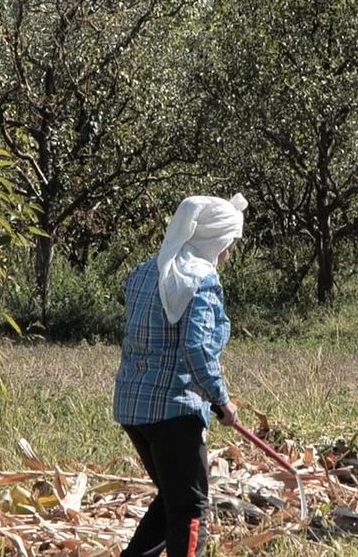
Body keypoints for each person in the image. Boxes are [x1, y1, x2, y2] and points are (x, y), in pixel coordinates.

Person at [113, 193, 247, 557]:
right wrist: (221, 400)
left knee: (173, 499)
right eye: (229, 244)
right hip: (174, 412)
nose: (228, 254)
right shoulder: (201, 281)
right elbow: (197, 349)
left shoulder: (145, 271)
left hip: (133, 408)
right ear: (214, 240)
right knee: (189, 509)